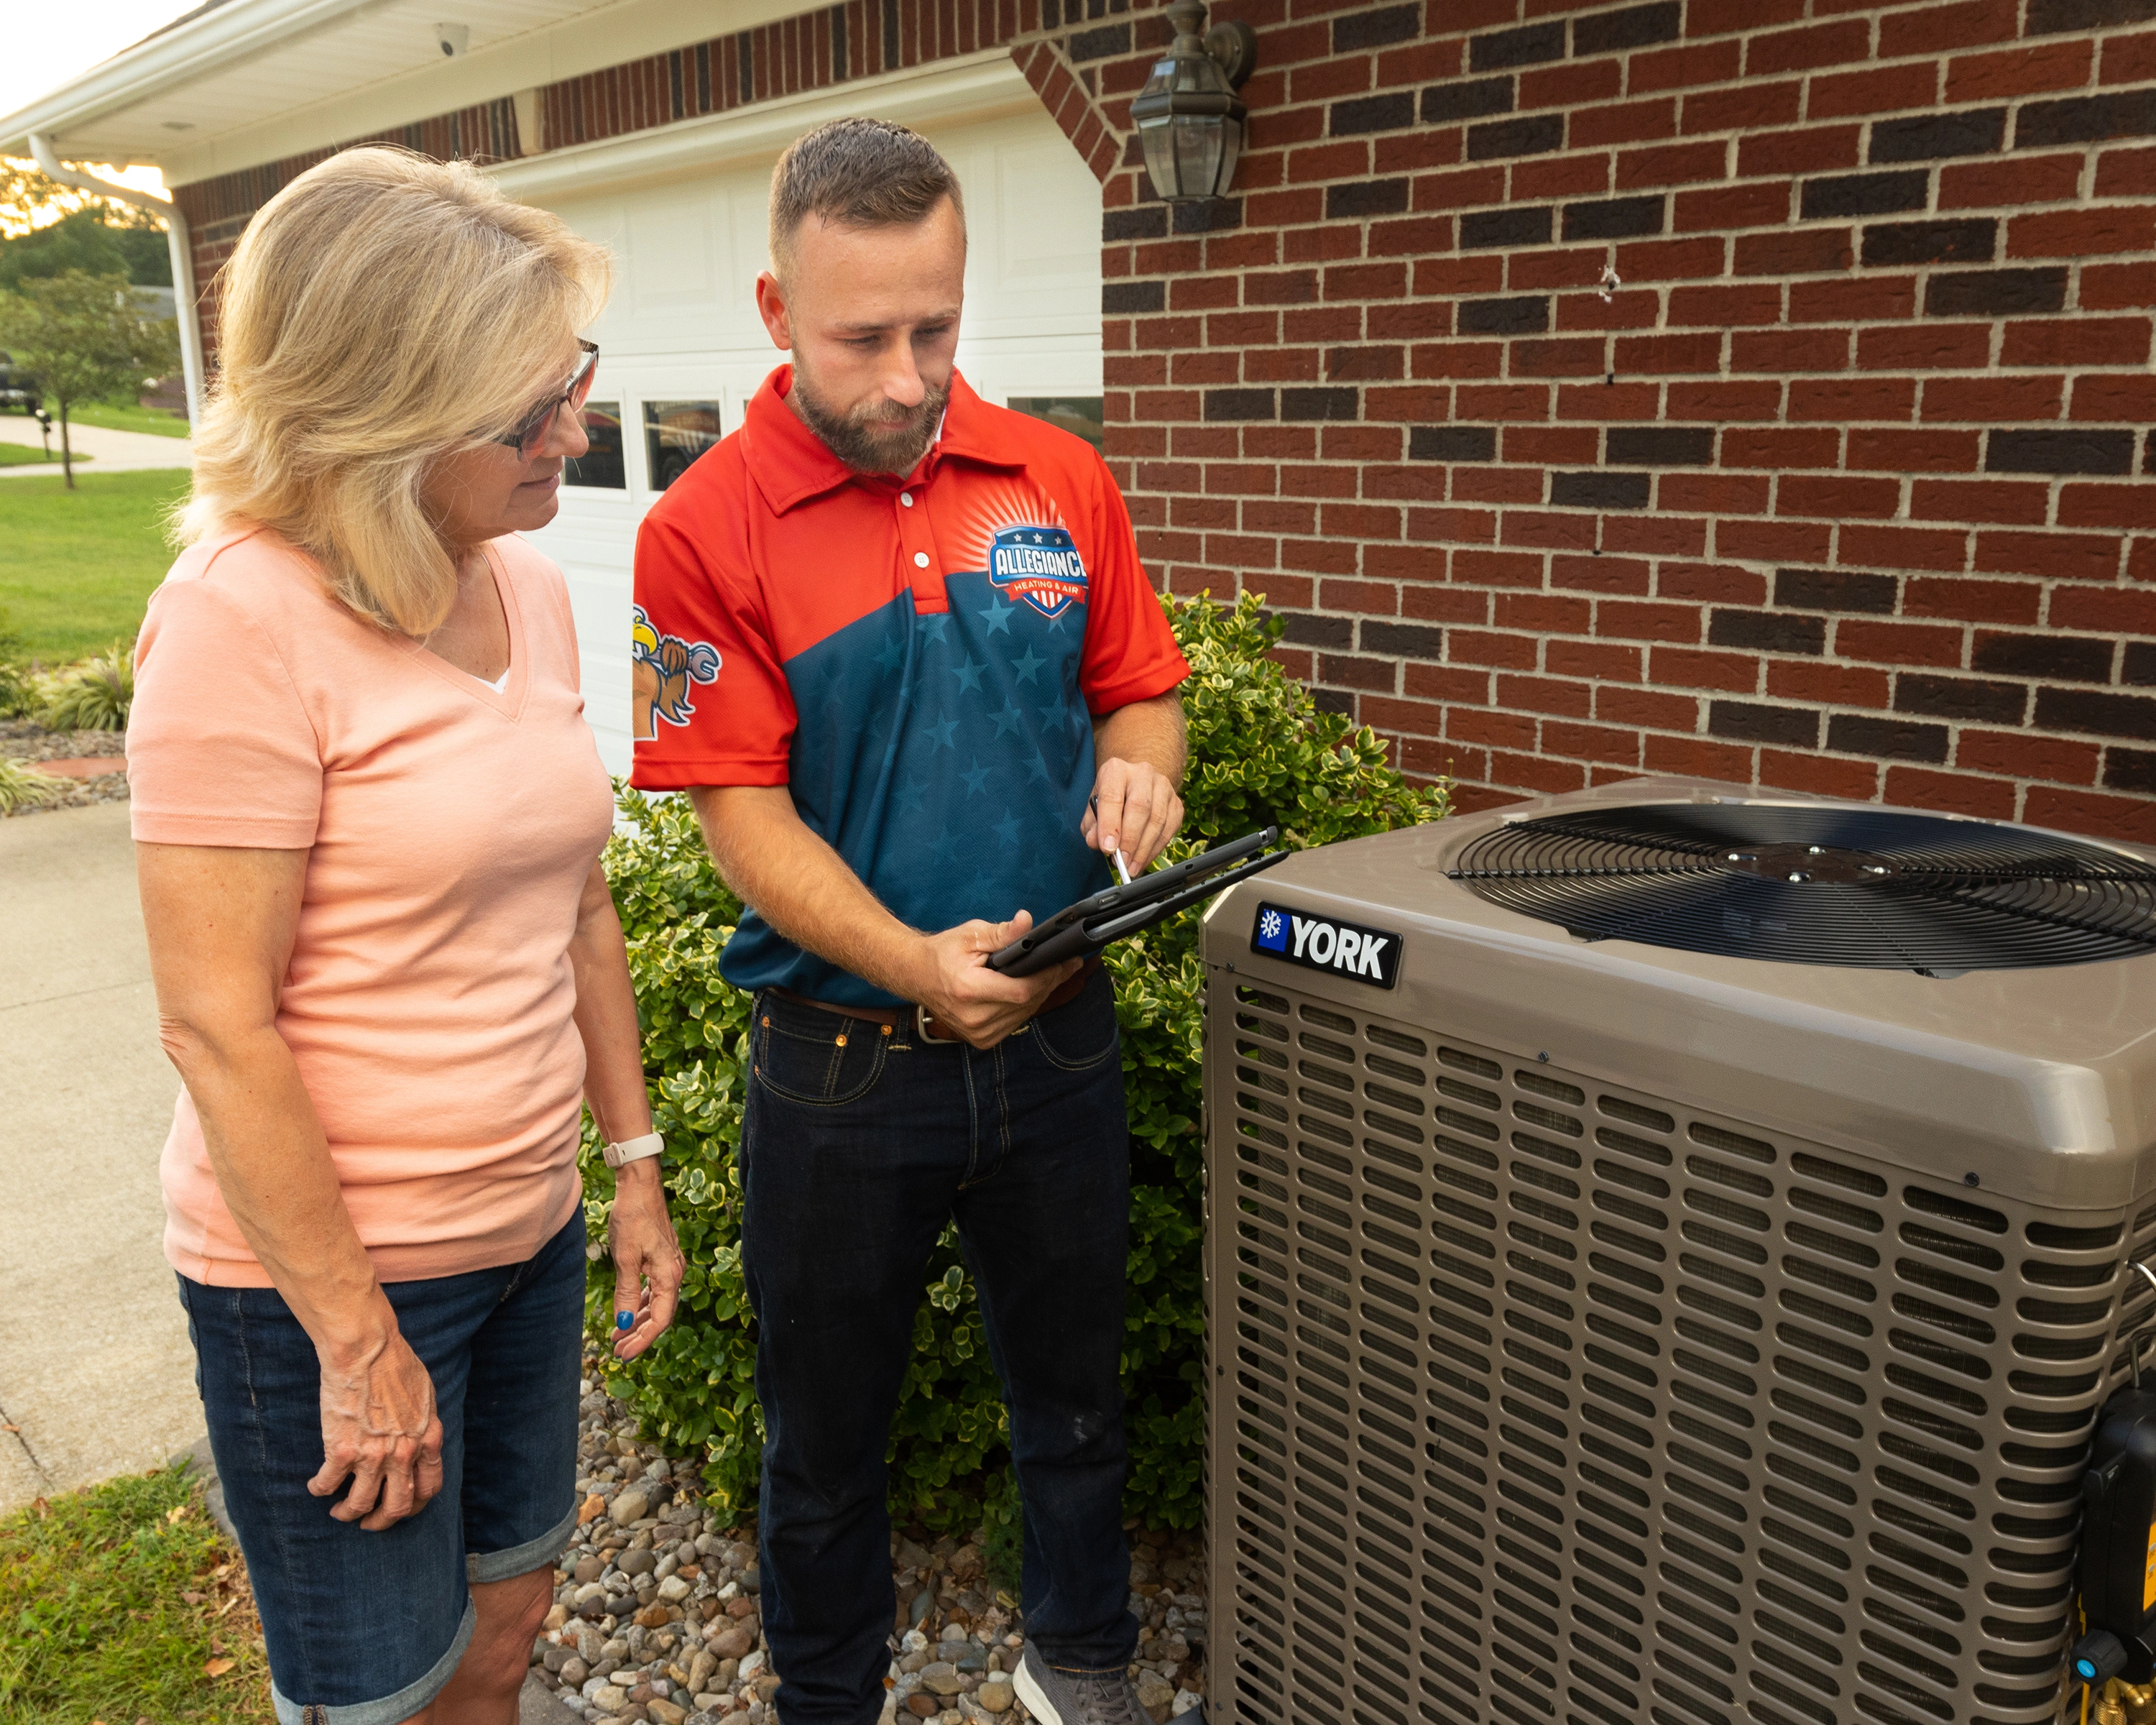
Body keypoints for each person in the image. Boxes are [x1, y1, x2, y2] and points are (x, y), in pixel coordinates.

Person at [630, 119, 1189, 1725]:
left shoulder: (1057, 478)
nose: (905, 374)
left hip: (1060, 1037)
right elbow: (744, 821)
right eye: (861, 336)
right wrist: (919, 970)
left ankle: (1080, 1671)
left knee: (1076, 1402)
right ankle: (827, 1700)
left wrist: (1141, 779)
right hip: (842, 1066)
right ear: (773, 308)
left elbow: (1139, 695)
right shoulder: (699, 532)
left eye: (934, 328)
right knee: (822, 1440)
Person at [128, 147, 684, 1725]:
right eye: (530, 413)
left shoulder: (524, 579)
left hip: (530, 1239)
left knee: (506, 1632)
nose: (574, 431)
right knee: (381, 1699)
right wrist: (357, 1343)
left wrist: (632, 1169)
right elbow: (215, 1026)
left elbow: (576, 897)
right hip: (325, 1289)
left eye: (576, 382)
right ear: (380, 417)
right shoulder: (237, 619)